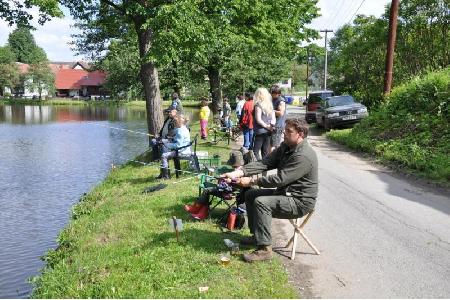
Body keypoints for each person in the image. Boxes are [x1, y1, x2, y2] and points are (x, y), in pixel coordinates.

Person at [222, 118, 318, 262]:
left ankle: (265, 250)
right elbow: (264, 163)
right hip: (286, 194)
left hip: (299, 201)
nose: (284, 133)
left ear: (301, 134)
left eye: (289, 131)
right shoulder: (286, 147)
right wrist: (238, 173)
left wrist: (252, 181)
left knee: (262, 202)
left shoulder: (303, 156)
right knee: (251, 195)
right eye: (284, 130)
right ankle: (257, 237)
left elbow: (280, 179)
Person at [184, 151, 245, 220]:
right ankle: (201, 212)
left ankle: (198, 210)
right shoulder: (239, 169)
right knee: (207, 190)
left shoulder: (242, 171)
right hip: (227, 189)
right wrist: (221, 178)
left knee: (207, 190)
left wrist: (230, 181)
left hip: (230, 193)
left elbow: (241, 183)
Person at [156, 115, 191, 179]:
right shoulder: (183, 128)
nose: (173, 125)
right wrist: (167, 139)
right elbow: (177, 139)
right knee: (164, 149)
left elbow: (178, 145)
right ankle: (164, 174)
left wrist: (167, 144)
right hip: (183, 149)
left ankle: (166, 176)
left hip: (182, 152)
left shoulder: (181, 131)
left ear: (178, 123)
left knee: (164, 156)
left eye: (174, 123)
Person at [252, 87, 275, 160]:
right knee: (265, 152)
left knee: (255, 152)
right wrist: (270, 126)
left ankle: (258, 167)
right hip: (268, 131)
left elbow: (258, 119)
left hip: (260, 131)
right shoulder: (270, 104)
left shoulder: (258, 105)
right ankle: (264, 170)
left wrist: (266, 126)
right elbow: (273, 119)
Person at [270, 85, 286, 150]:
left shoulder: (281, 101)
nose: (271, 94)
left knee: (273, 145)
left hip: (277, 125)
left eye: (272, 93)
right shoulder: (273, 99)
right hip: (274, 125)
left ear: (277, 93)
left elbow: (280, 113)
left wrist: (270, 110)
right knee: (274, 144)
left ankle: (271, 159)